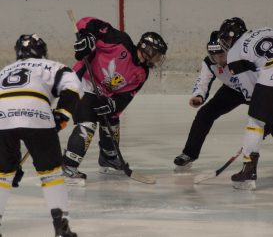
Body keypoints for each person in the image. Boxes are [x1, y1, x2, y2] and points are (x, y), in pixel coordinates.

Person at [62, 17, 168, 186]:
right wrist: (87, 36)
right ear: (147, 49)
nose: (157, 60)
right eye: (157, 55)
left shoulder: (141, 72)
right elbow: (89, 23)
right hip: (83, 81)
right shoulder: (121, 41)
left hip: (103, 92)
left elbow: (126, 96)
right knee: (88, 125)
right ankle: (68, 167)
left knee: (112, 119)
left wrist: (113, 104)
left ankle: (108, 159)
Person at [0, 34, 82, 236]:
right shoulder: (52, 66)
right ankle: (62, 229)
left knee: (2, 175)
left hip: (1, 115)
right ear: (42, 51)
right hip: (37, 111)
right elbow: (73, 85)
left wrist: (10, 161)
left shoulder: (4, 70)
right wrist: (62, 114)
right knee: (51, 173)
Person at [174, 31, 250, 171]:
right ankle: (189, 154)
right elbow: (203, 80)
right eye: (214, 56)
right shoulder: (210, 63)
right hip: (232, 91)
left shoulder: (243, 57)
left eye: (221, 55)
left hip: (254, 89)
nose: (218, 60)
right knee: (205, 114)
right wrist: (199, 95)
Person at [217, 17, 273, 190]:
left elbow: (251, 93)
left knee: (255, 121)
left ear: (232, 35)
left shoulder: (235, 53)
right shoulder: (266, 29)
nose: (226, 43)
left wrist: (261, 120)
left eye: (226, 38)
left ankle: (248, 172)